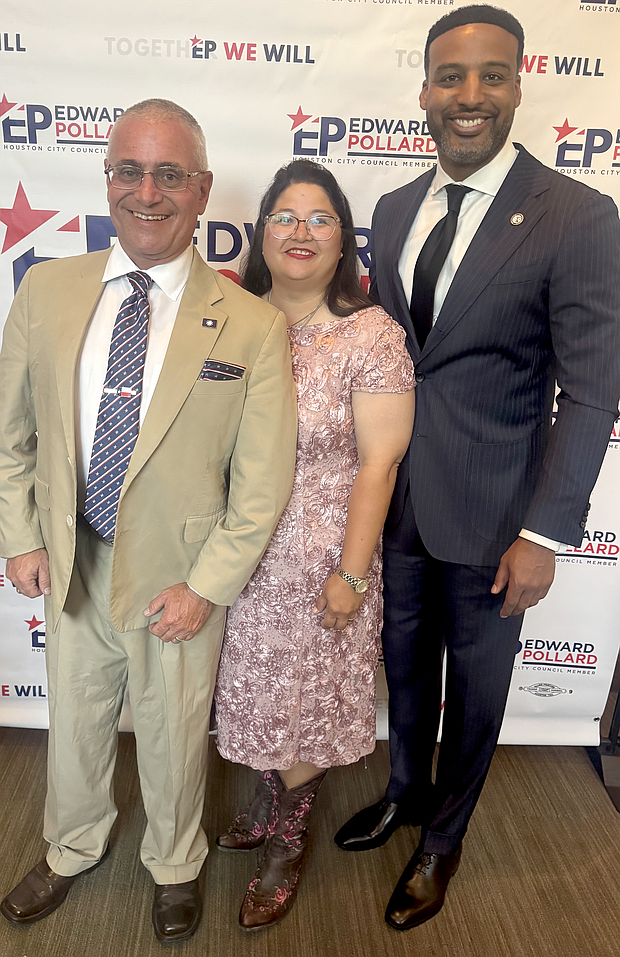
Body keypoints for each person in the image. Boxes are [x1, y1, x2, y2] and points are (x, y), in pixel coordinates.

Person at [334, 4, 620, 932]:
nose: (470, 96)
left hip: (499, 515)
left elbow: (591, 388)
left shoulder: (577, 214)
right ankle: (406, 794)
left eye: (491, 76)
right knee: (404, 672)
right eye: (451, 76)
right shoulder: (390, 208)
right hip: (395, 503)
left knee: (479, 690)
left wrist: (544, 533)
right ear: (423, 89)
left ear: (518, 85)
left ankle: (443, 840)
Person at [0, 98, 297, 944]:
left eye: (171, 173)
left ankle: (175, 862)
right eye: (129, 169)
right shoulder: (47, 289)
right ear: (108, 178)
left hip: (178, 577)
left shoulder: (252, 325)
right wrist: (20, 536)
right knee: (75, 720)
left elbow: (261, 484)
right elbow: (9, 432)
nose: (148, 191)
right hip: (71, 560)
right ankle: (71, 844)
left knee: (171, 733)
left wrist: (207, 588)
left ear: (202, 190)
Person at [214, 159, 416, 930]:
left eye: (319, 218)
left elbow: (380, 461)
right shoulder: (230, 318)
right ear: (262, 232)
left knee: (302, 704)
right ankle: (272, 806)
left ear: (344, 241)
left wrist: (351, 575)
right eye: (285, 217)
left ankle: (287, 840)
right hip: (240, 556)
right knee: (263, 698)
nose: (300, 232)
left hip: (326, 558)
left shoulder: (369, 332)